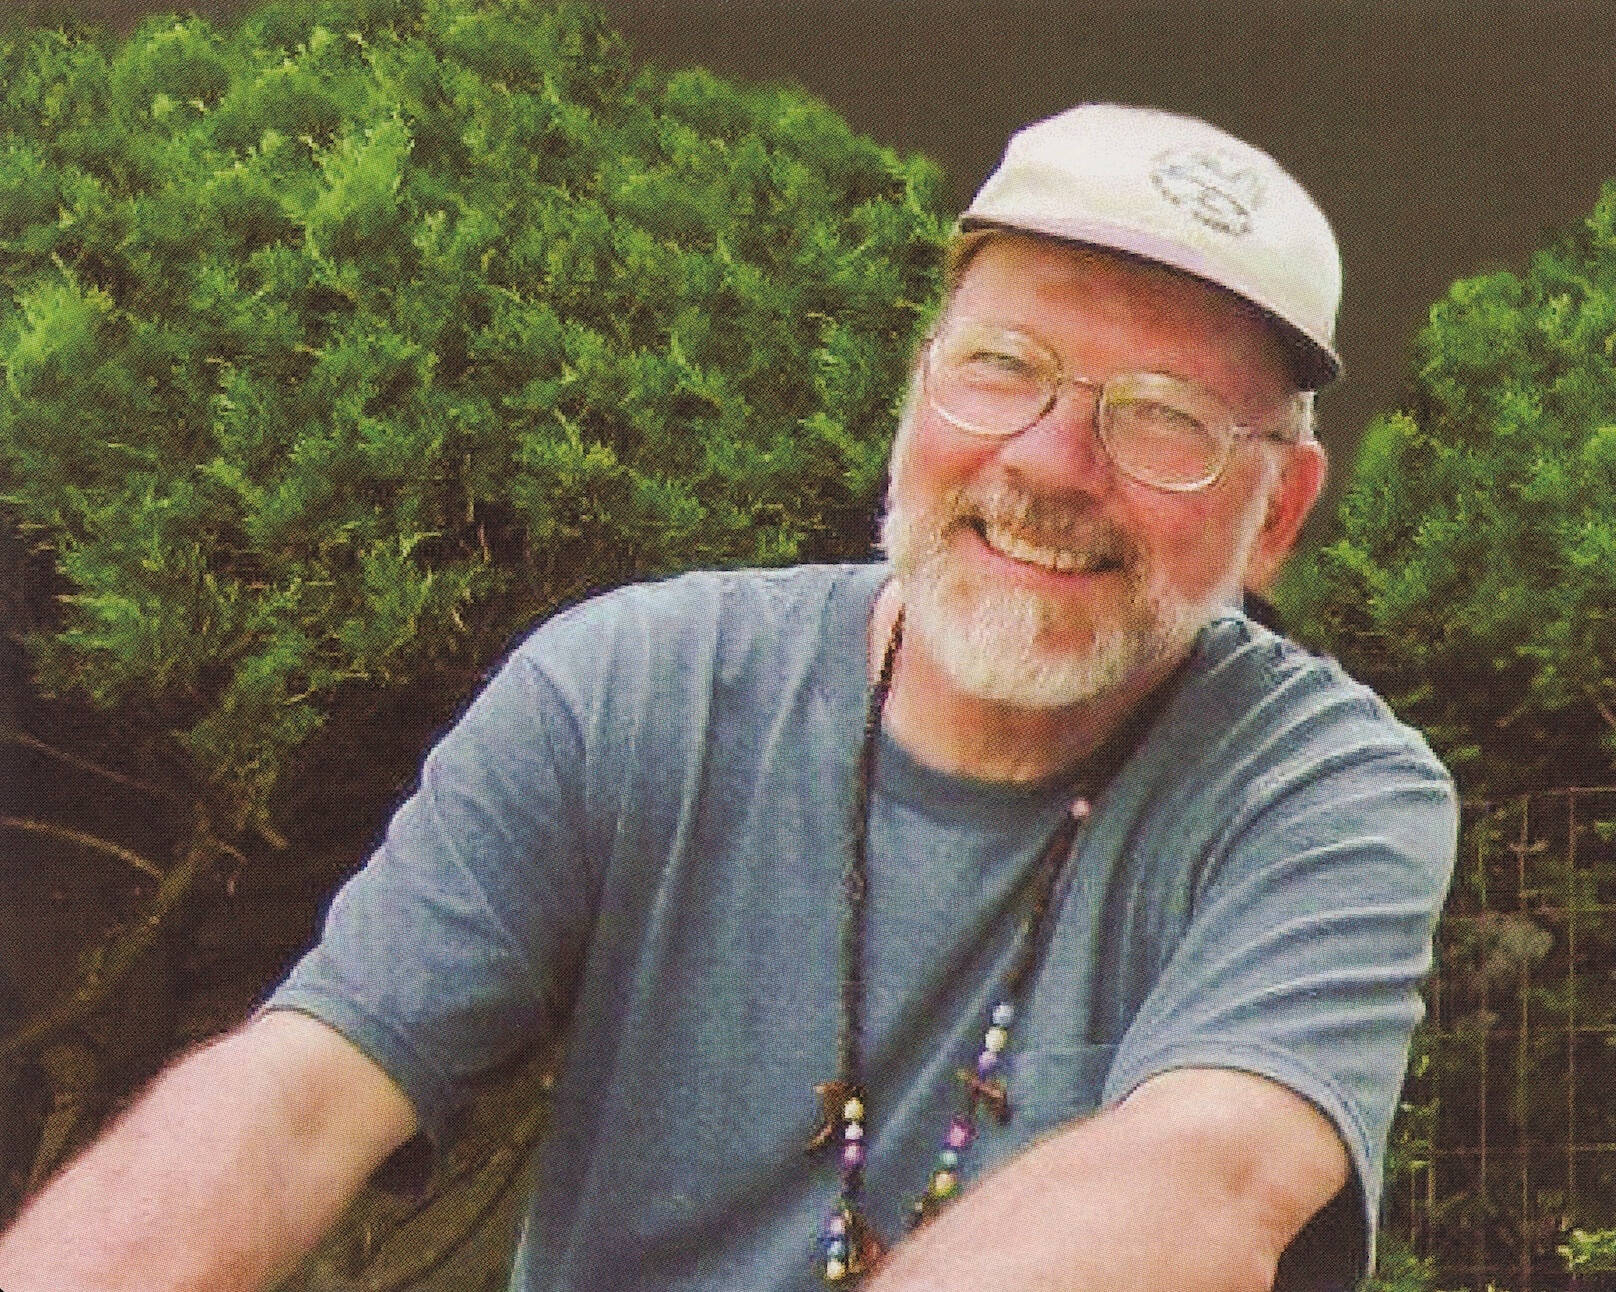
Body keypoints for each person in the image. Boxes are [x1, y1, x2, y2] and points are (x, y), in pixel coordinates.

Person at [0, 102, 1456, 1292]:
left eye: (1164, 422)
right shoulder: (631, 687)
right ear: (917, 394)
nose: (1051, 464)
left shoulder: (1322, 790)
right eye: (1004, 370)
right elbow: (300, 1095)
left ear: (1277, 514)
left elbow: (1201, 1185)